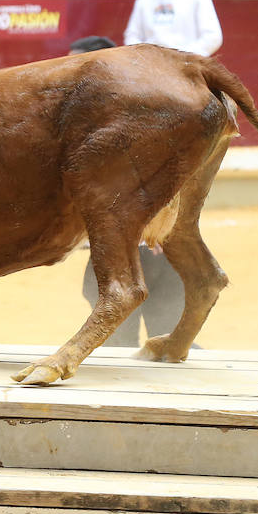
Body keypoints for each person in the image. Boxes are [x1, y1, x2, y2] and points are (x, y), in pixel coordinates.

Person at [68, 35, 188, 347]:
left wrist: (156, 221)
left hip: (149, 247)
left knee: (135, 341)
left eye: (74, 66)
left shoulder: (132, 107)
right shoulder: (132, 103)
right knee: (151, 339)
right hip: (133, 247)